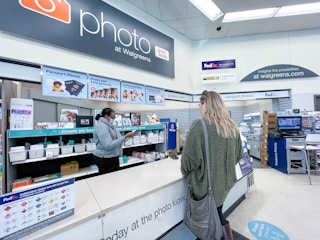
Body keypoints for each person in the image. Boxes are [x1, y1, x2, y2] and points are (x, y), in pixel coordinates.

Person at [181, 91, 243, 240]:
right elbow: (238, 154)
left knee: (213, 217)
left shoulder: (199, 126)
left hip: (206, 187)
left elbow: (187, 163)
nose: (198, 109)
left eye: (199, 105)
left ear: (205, 104)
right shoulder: (232, 126)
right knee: (217, 213)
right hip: (224, 184)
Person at [93, 108, 135, 175]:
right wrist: (125, 136)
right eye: (112, 117)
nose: (114, 119)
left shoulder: (110, 126)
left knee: (115, 178)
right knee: (108, 180)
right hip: (105, 158)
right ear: (106, 116)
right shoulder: (101, 127)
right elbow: (108, 145)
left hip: (113, 156)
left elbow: (118, 140)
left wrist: (127, 137)